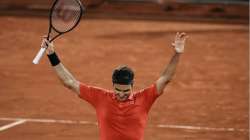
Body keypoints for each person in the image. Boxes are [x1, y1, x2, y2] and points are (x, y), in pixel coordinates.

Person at [43, 32, 188, 140]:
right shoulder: (101, 97)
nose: (121, 94)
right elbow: (70, 82)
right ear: (113, 85)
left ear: (132, 85)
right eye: (118, 90)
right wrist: (52, 54)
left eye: (126, 91)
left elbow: (165, 78)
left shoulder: (144, 98)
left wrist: (177, 54)